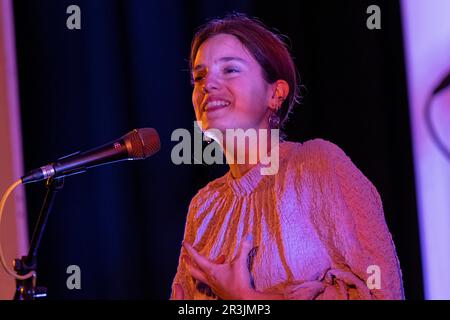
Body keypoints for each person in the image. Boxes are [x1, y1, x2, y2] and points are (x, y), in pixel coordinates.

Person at [170, 13, 404, 300]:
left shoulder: (317, 165)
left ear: (276, 94)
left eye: (229, 70)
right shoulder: (204, 207)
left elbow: (385, 293)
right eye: (199, 76)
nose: (208, 85)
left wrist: (248, 300)